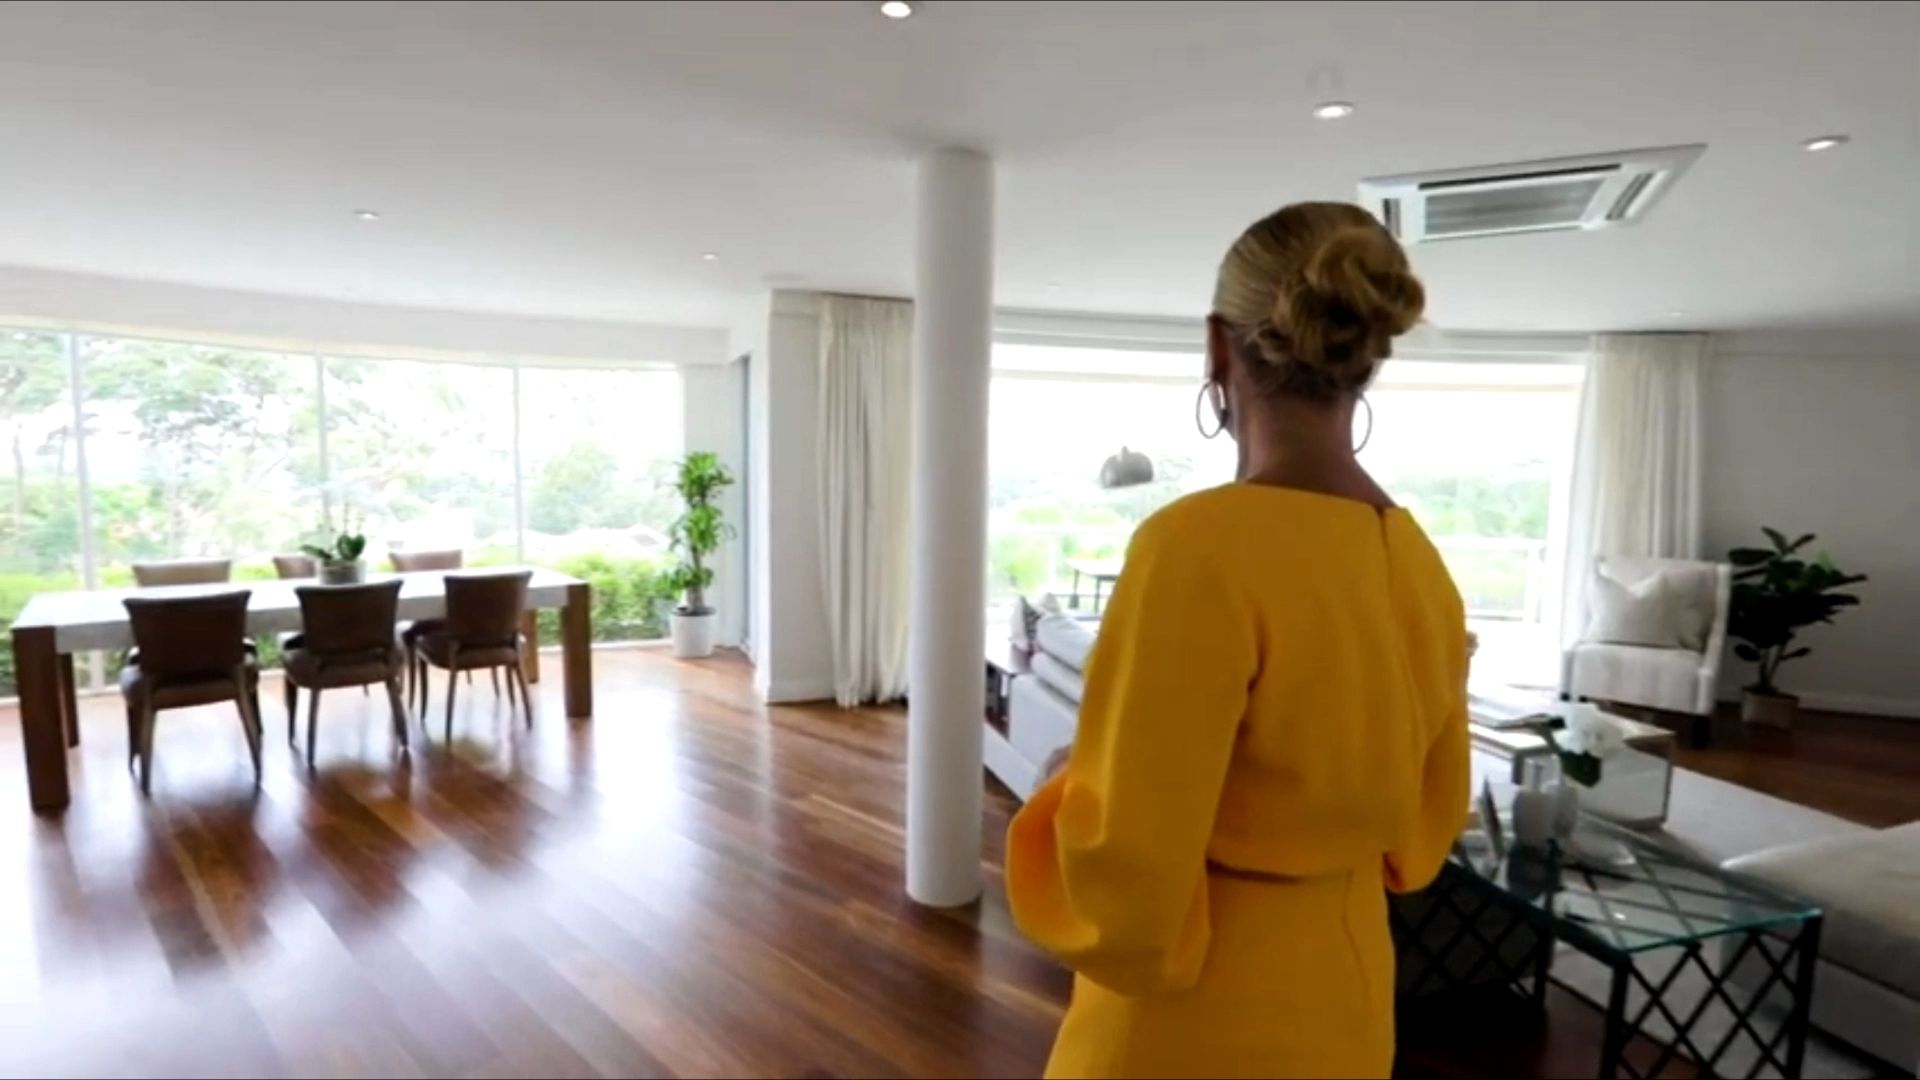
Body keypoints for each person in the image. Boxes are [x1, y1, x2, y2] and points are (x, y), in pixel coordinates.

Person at [1005, 201, 1469, 1079]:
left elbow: (1130, 878)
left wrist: (1064, 785)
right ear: (1366, 355)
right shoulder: (1420, 563)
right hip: (1350, 996)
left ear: (1219, 347)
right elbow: (1423, 830)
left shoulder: (1195, 547)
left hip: (1194, 1014)